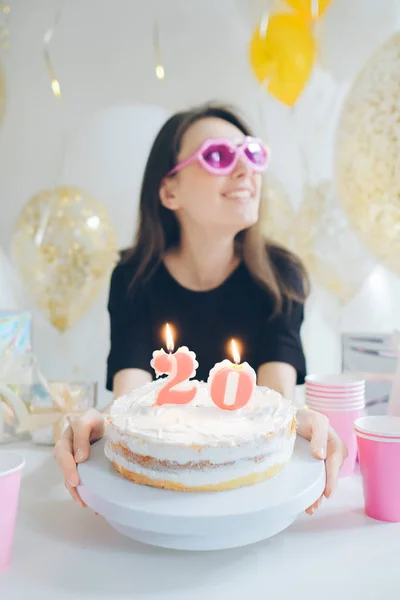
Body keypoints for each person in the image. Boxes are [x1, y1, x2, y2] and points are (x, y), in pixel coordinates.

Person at [54, 103, 347, 514]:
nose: (246, 171)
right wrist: (94, 424)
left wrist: (302, 420)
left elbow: (277, 400)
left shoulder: (281, 276)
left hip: (249, 503)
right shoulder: (133, 278)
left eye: (252, 154)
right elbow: (131, 399)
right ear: (170, 190)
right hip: (157, 504)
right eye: (218, 156)